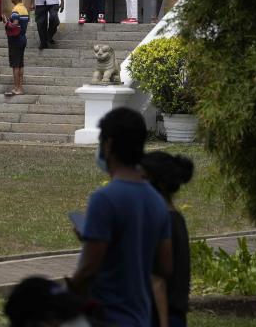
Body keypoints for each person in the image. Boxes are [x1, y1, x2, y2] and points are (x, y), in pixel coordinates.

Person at [67, 108, 172, 327]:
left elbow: (89, 268)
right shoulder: (157, 201)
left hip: (108, 316)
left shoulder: (104, 199)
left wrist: (67, 291)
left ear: (108, 145)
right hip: (141, 316)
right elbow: (165, 266)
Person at [141, 152, 193, 327]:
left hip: (160, 316)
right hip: (176, 314)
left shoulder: (161, 221)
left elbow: (158, 280)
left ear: (160, 185)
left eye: (143, 180)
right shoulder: (177, 218)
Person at [3, 0, 30, 97]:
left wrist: (6, 22)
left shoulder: (15, 10)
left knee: (15, 65)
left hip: (16, 40)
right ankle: (20, 87)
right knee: (20, 63)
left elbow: (14, 26)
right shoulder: (24, 9)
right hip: (23, 38)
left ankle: (17, 88)